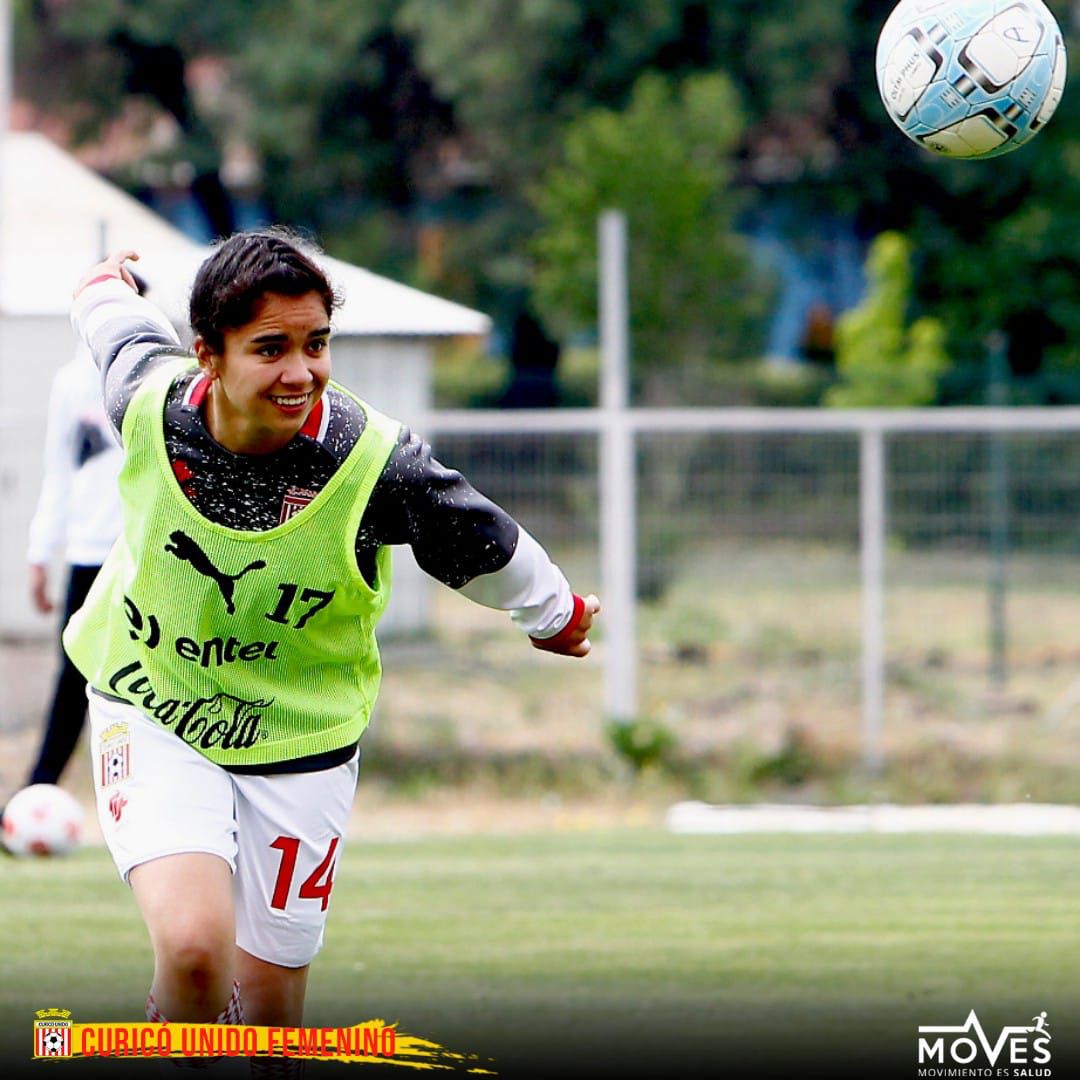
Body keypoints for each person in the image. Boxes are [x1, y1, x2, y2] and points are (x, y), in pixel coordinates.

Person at [63, 231, 599, 1068]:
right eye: (269, 348)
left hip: (300, 738)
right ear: (205, 353)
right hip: (154, 699)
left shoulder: (368, 459)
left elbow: (480, 537)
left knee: (271, 1021)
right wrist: (107, 277)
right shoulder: (147, 400)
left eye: (316, 345)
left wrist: (556, 613)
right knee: (197, 955)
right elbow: (107, 315)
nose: (301, 372)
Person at [23, 342, 125, 788]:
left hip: (143, 551)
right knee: (73, 678)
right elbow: (59, 470)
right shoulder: (73, 382)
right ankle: (38, 793)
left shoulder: (159, 372)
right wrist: (40, 553)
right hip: (89, 552)